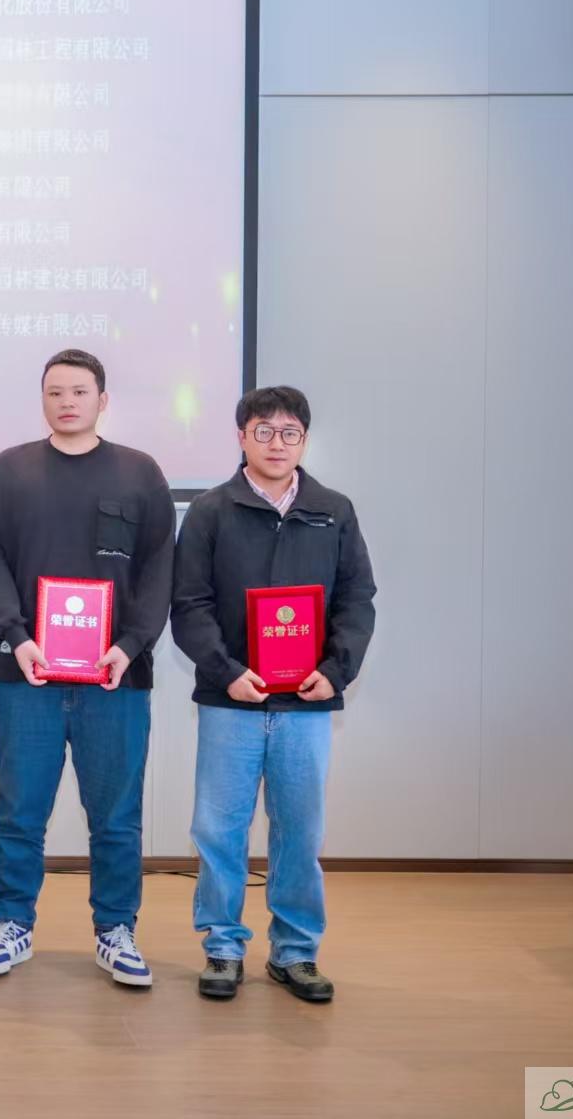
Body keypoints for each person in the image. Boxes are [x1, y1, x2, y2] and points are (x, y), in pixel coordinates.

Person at [0, 350, 174, 987]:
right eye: (55, 391)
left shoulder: (140, 473)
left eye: (79, 391)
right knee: (18, 811)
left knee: (116, 815)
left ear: (102, 400)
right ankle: (12, 923)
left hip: (115, 679)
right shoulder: (9, 471)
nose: (67, 401)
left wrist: (131, 644)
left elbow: (159, 569)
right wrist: (16, 636)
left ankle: (116, 930)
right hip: (25, 677)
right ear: (43, 400)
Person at [171, 385, 376, 1003]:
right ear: (241, 437)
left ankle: (295, 952)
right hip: (230, 700)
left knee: (300, 832)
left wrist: (335, 672)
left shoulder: (333, 510)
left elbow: (357, 600)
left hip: (306, 704)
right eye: (263, 431)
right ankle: (223, 947)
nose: (277, 443)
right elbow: (189, 605)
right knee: (219, 830)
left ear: (304, 440)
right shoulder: (209, 510)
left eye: (290, 432)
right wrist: (226, 670)